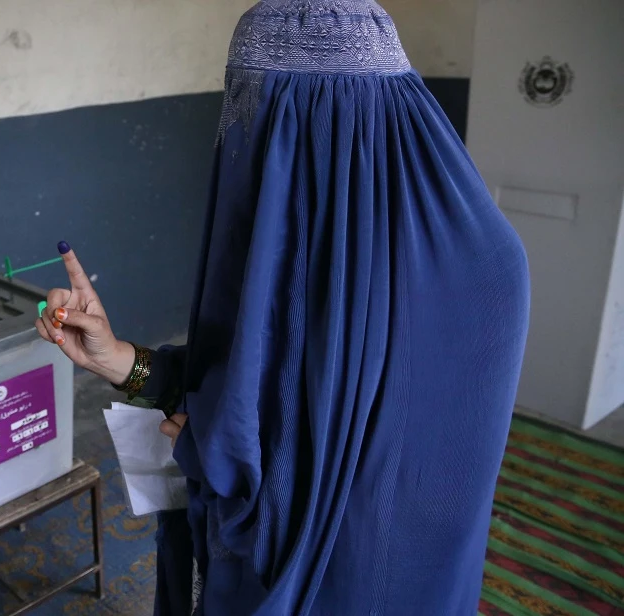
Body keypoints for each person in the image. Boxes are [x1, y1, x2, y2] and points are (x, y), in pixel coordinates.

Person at [37, 1, 531, 614]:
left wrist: (207, 444)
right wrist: (124, 362)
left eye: (257, 114)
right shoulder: (490, 262)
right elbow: (261, 371)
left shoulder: (480, 276)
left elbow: (293, 488)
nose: (241, 142)